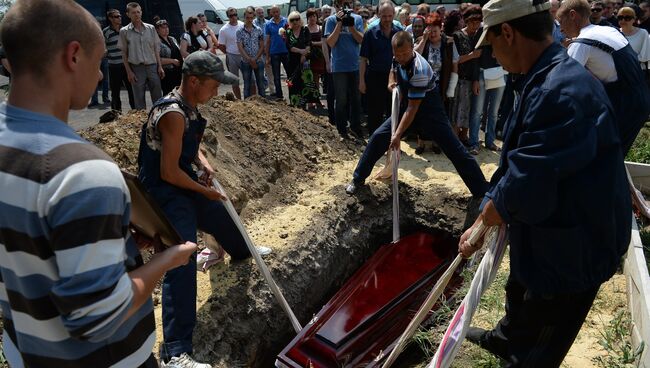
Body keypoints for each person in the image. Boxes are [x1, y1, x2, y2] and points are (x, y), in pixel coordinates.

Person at [0, 1, 197, 367]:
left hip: (24, 350)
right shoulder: (84, 173)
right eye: (99, 61)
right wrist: (164, 262)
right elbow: (98, 317)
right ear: (74, 55)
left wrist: (111, 239)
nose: (102, 76)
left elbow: (29, 238)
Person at [460, 1, 631, 366]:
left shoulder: (560, 92)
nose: (493, 56)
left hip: (572, 251)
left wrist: (489, 214)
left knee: (539, 340)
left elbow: (528, 180)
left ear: (508, 33)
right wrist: (486, 210)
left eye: (491, 46)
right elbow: (517, 160)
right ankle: (506, 338)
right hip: (548, 231)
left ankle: (521, 354)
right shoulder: (543, 76)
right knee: (520, 288)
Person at [138, 51, 269, 367]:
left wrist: (203, 162)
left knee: (223, 218)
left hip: (182, 178)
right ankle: (175, 351)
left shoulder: (189, 106)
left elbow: (187, 145)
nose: (217, 91)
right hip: (164, 191)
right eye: (214, 85)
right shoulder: (172, 113)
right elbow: (168, 172)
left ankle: (242, 251)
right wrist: (203, 191)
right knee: (183, 255)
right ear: (193, 81)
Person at [345, 31, 487, 200]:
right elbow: (393, 69)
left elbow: (413, 109)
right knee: (377, 138)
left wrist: (397, 135)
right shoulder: (397, 57)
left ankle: (482, 190)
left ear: (412, 48)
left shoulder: (419, 69)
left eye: (405, 53)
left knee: (454, 149)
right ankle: (358, 179)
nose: (401, 57)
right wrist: (391, 82)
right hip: (408, 107)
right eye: (397, 54)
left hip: (429, 111)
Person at [558, 0, 650, 154]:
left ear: (573, 16)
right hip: (641, 99)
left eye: (561, 22)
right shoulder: (608, 30)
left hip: (624, 105)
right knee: (613, 155)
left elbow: (563, 83)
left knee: (604, 157)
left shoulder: (581, 44)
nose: (560, 29)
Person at [414, 12, 460, 154]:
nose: (433, 34)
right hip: (423, 84)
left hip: (441, 85)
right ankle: (421, 143)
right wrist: (424, 39)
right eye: (430, 30)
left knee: (439, 116)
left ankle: (436, 143)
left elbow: (455, 64)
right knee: (422, 114)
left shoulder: (448, 43)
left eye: (435, 31)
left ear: (441, 29)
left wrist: (451, 87)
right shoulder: (422, 40)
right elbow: (414, 56)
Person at [325, 0, 364, 140]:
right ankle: (341, 129)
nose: (345, 7)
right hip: (339, 66)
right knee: (341, 99)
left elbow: (361, 40)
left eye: (347, 4)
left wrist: (352, 26)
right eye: (341, 4)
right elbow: (330, 42)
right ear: (336, 5)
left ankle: (356, 127)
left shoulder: (357, 18)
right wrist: (339, 23)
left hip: (354, 65)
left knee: (356, 99)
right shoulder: (330, 20)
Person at [359, 2, 400, 134]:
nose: (387, 19)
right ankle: (374, 142)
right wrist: (361, 81)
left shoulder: (399, 33)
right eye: (384, 16)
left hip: (395, 78)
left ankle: (392, 142)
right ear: (378, 15)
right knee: (374, 113)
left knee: (393, 112)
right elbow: (363, 59)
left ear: (394, 15)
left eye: (389, 16)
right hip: (375, 78)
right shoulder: (370, 33)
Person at [120, 2, 164, 110]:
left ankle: (157, 120)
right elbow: (124, 53)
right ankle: (143, 124)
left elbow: (156, 49)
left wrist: (160, 66)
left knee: (158, 98)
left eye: (138, 12)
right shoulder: (124, 31)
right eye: (133, 12)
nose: (136, 15)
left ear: (141, 12)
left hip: (152, 66)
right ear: (128, 14)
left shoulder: (151, 28)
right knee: (139, 100)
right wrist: (129, 72)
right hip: (136, 69)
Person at [451, 7, 482, 150]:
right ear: (467, 22)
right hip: (459, 77)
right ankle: (455, 139)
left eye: (478, 22)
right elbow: (455, 60)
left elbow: (478, 62)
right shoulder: (457, 36)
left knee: (467, 109)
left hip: (471, 78)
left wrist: (476, 79)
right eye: (473, 22)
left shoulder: (478, 36)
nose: (476, 26)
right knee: (458, 108)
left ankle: (463, 136)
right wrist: (471, 55)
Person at [104, 8, 135, 111]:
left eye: (120, 16)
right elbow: (102, 48)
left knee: (132, 90)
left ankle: (135, 112)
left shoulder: (125, 30)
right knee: (115, 92)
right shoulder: (106, 32)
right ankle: (117, 115)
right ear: (110, 18)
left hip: (127, 66)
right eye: (117, 16)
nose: (120, 18)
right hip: (114, 67)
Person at [285, 11, 318, 107]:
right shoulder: (288, 31)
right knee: (293, 82)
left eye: (297, 19)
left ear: (300, 20)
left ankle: (304, 105)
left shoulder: (305, 30)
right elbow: (289, 46)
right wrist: (301, 52)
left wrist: (304, 55)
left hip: (304, 60)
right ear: (289, 21)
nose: (295, 21)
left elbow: (308, 43)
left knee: (305, 82)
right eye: (292, 20)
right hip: (292, 61)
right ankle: (295, 103)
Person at [237, 6, 265, 99]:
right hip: (245, 62)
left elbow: (262, 46)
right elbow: (240, 47)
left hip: (258, 60)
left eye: (251, 17)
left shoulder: (258, 30)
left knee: (261, 84)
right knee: (247, 84)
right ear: (244, 17)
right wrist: (250, 60)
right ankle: (246, 106)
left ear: (253, 17)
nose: (249, 20)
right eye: (247, 18)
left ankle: (264, 105)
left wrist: (255, 59)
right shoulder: (239, 31)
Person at [618, 6, 650, 85]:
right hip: (618, 73)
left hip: (637, 72)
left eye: (627, 18)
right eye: (620, 17)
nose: (623, 20)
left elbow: (645, 56)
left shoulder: (643, 33)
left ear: (634, 19)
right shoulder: (615, 33)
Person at [218, 8, 244, 100]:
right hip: (231, 56)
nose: (233, 17)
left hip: (244, 55)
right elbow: (221, 45)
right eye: (231, 16)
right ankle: (239, 100)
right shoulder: (224, 30)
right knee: (234, 80)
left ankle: (250, 99)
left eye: (235, 15)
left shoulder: (242, 25)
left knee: (250, 79)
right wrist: (228, 53)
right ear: (228, 17)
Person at [266, 5, 289, 100]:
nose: (275, 14)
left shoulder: (286, 21)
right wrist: (267, 55)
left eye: (277, 11)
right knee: (276, 75)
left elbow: (291, 35)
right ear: (271, 13)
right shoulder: (268, 24)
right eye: (273, 12)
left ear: (280, 11)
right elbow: (268, 40)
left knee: (289, 74)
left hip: (286, 51)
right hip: (274, 52)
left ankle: (292, 94)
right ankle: (279, 95)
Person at [157, 19, 183, 95]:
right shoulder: (157, 42)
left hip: (178, 71)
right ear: (157, 30)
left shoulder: (172, 39)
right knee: (169, 94)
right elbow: (157, 59)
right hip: (167, 72)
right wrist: (172, 61)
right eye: (163, 28)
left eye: (167, 27)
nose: (166, 29)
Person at [306, 8, 326, 109]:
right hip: (307, 57)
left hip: (318, 57)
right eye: (310, 16)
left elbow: (325, 42)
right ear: (307, 18)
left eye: (314, 16)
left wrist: (313, 43)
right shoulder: (304, 28)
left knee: (317, 80)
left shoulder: (321, 28)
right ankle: (310, 101)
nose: (312, 18)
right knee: (308, 79)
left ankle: (317, 100)